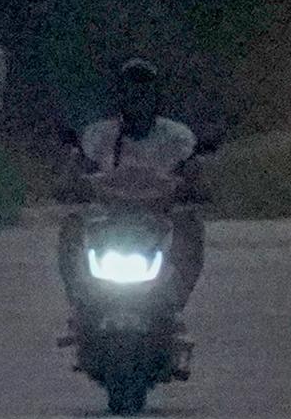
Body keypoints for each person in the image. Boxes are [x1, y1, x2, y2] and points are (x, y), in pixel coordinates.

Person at [59, 58, 206, 339]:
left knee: (191, 227)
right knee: (71, 227)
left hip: (158, 217)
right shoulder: (98, 135)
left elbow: (195, 176)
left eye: (144, 91)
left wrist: (194, 189)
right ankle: (80, 305)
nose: (137, 99)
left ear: (156, 96)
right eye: (130, 91)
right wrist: (70, 184)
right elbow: (74, 172)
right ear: (120, 95)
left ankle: (172, 306)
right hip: (107, 217)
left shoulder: (176, 137)